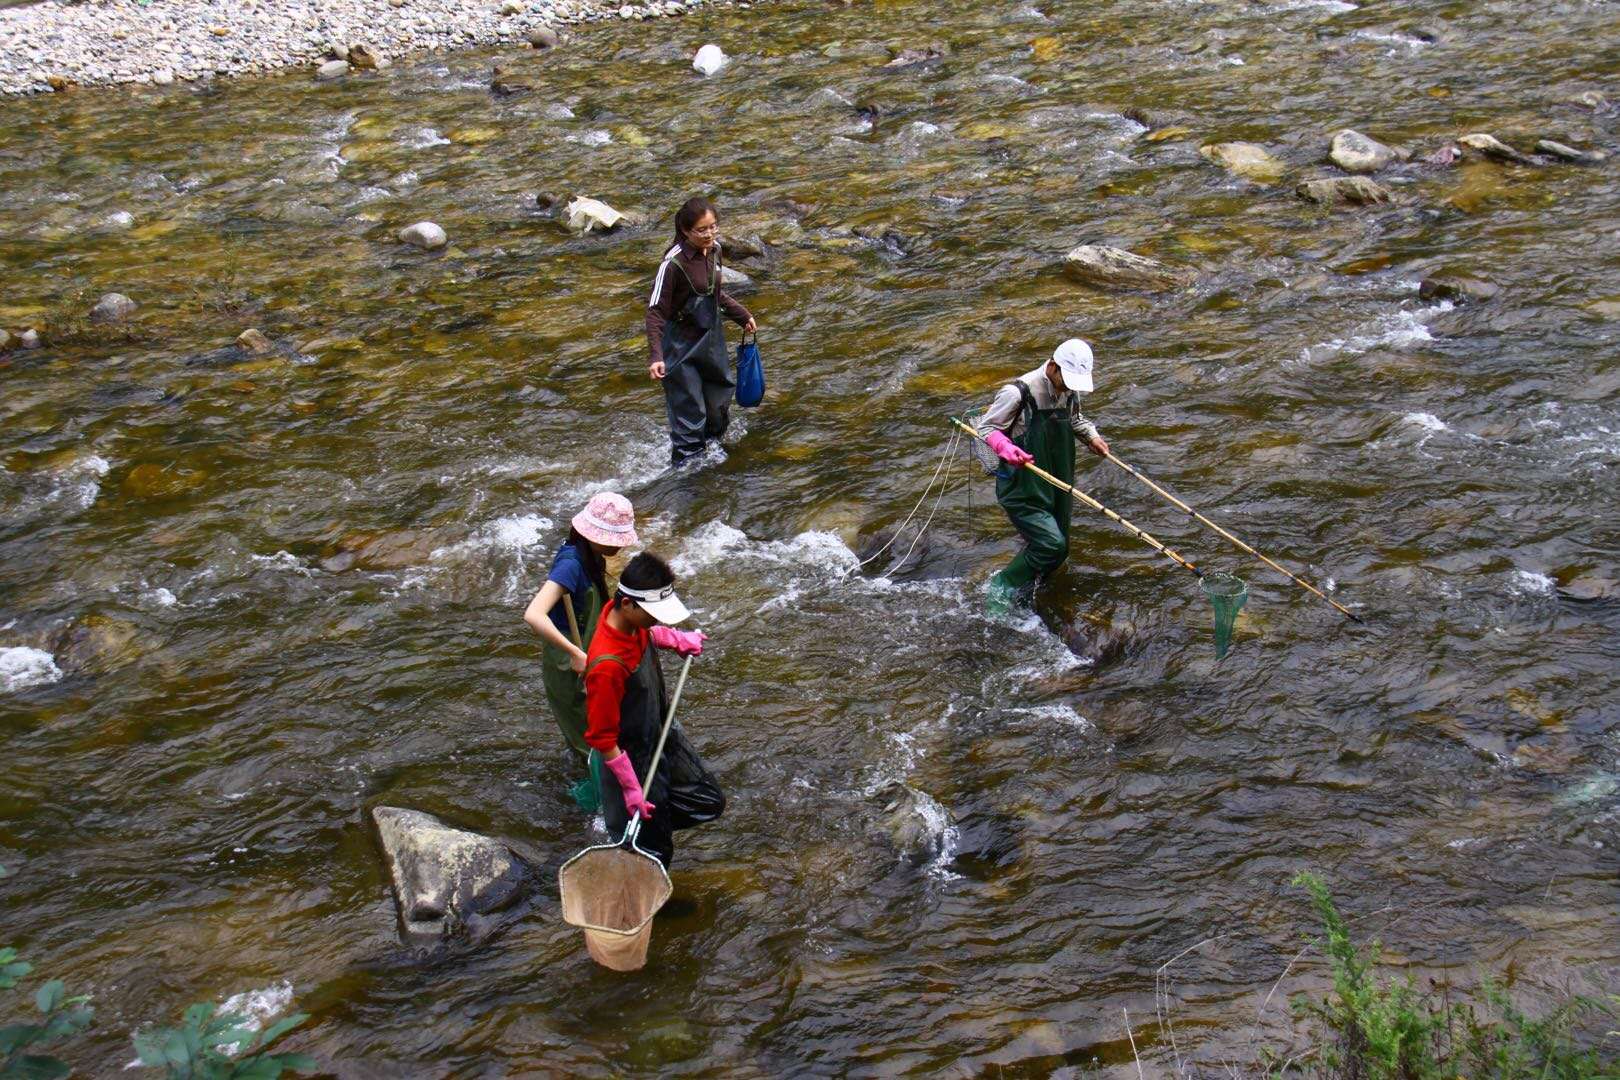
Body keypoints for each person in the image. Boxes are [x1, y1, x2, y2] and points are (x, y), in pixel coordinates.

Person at [583, 552, 724, 867]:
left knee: (708, 801)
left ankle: (636, 829)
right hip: (631, 759)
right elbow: (602, 738)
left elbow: (647, 633)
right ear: (628, 604)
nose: (657, 619)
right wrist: (632, 789)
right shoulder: (607, 666)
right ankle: (629, 840)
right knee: (654, 854)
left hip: (660, 736)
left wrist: (676, 639)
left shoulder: (631, 624)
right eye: (653, 613)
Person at [975, 338, 1110, 614]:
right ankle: (1001, 585)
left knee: (1060, 550)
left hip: (1059, 480)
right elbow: (986, 428)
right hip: (1023, 484)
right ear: (1052, 366)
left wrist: (1091, 437)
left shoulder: (1069, 390)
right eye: (1067, 380)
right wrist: (1006, 447)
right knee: (1050, 544)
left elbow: (1075, 420)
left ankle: (1032, 597)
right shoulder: (1018, 393)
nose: (1070, 388)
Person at [522, 493, 639, 806]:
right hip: (567, 659)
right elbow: (534, 614)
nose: (619, 544)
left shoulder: (591, 556)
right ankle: (601, 798)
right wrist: (575, 653)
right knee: (586, 729)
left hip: (588, 650)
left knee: (602, 720)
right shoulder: (571, 563)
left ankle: (603, 783)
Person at [645, 196, 758, 467]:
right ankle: (686, 473)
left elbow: (715, 294)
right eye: (702, 229)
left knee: (718, 405)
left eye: (713, 227)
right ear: (686, 231)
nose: (709, 234)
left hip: (711, 339)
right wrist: (656, 355)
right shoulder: (672, 264)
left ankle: (713, 463)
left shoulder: (716, 250)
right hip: (680, 347)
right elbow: (655, 312)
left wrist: (742, 315)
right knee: (690, 413)